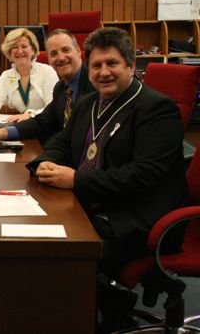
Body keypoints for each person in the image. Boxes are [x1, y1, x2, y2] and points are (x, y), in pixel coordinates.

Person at [26, 28, 187, 331]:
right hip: (99, 201)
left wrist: (76, 181)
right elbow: (62, 141)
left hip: (141, 216)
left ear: (130, 65)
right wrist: (44, 163)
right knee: (37, 235)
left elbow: (141, 176)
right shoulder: (88, 103)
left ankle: (97, 311)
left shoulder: (156, 109)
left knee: (61, 253)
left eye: (112, 64)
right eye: (97, 66)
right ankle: (101, 300)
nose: (103, 73)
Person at [0, 29, 95, 146]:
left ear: (78, 51)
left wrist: (30, 114)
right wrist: (2, 132)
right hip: (49, 142)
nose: (60, 57)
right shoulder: (61, 88)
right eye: (53, 53)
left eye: (66, 50)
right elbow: (44, 121)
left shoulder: (96, 84)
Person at [0, 27, 59, 122]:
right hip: (22, 126)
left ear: (33, 50)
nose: (20, 51)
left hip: (46, 125)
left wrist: (30, 115)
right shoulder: (7, 75)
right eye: (14, 47)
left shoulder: (47, 71)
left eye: (24, 46)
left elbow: (53, 107)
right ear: (10, 52)